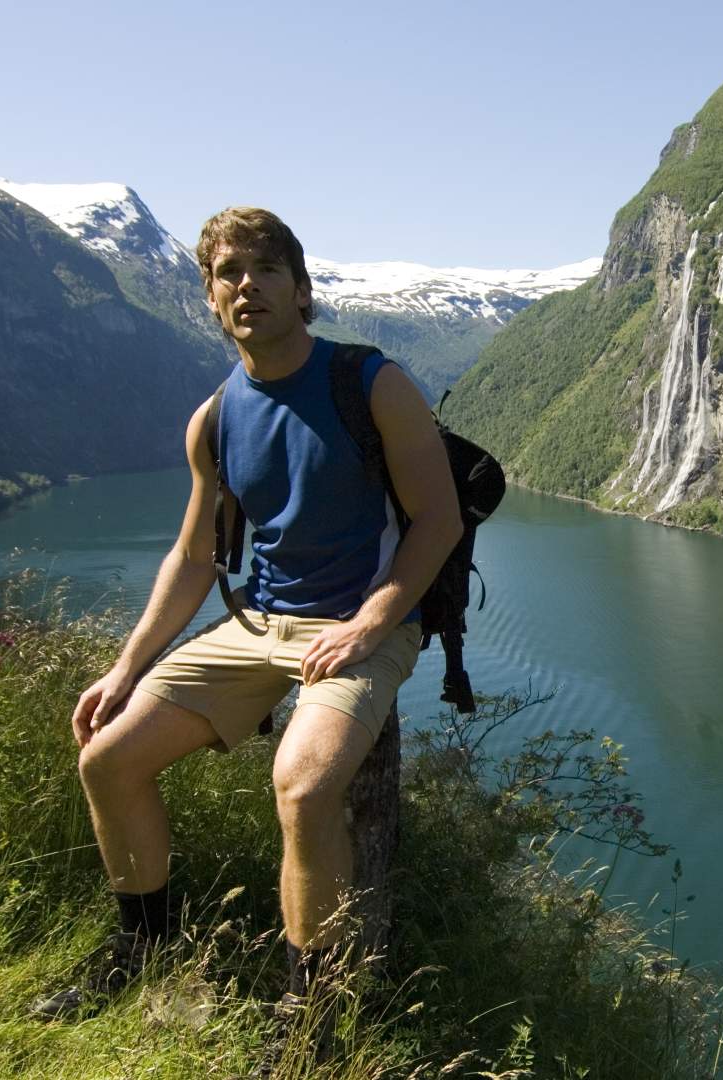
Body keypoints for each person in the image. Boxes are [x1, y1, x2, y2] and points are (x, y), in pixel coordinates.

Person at [31, 207, 461, 1019]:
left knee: (300, 789)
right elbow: (195, 558)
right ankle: (144, 947)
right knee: (107, 760)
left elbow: (437, 520)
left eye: (266, 269)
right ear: (208, 297)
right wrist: (126, 668)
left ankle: (310, 1010)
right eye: (228, 272)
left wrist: (371, 624)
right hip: (259, 623)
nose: (246, 285)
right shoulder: (217, 418)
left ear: (301, 290)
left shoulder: (372, 384)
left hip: (368, 624)